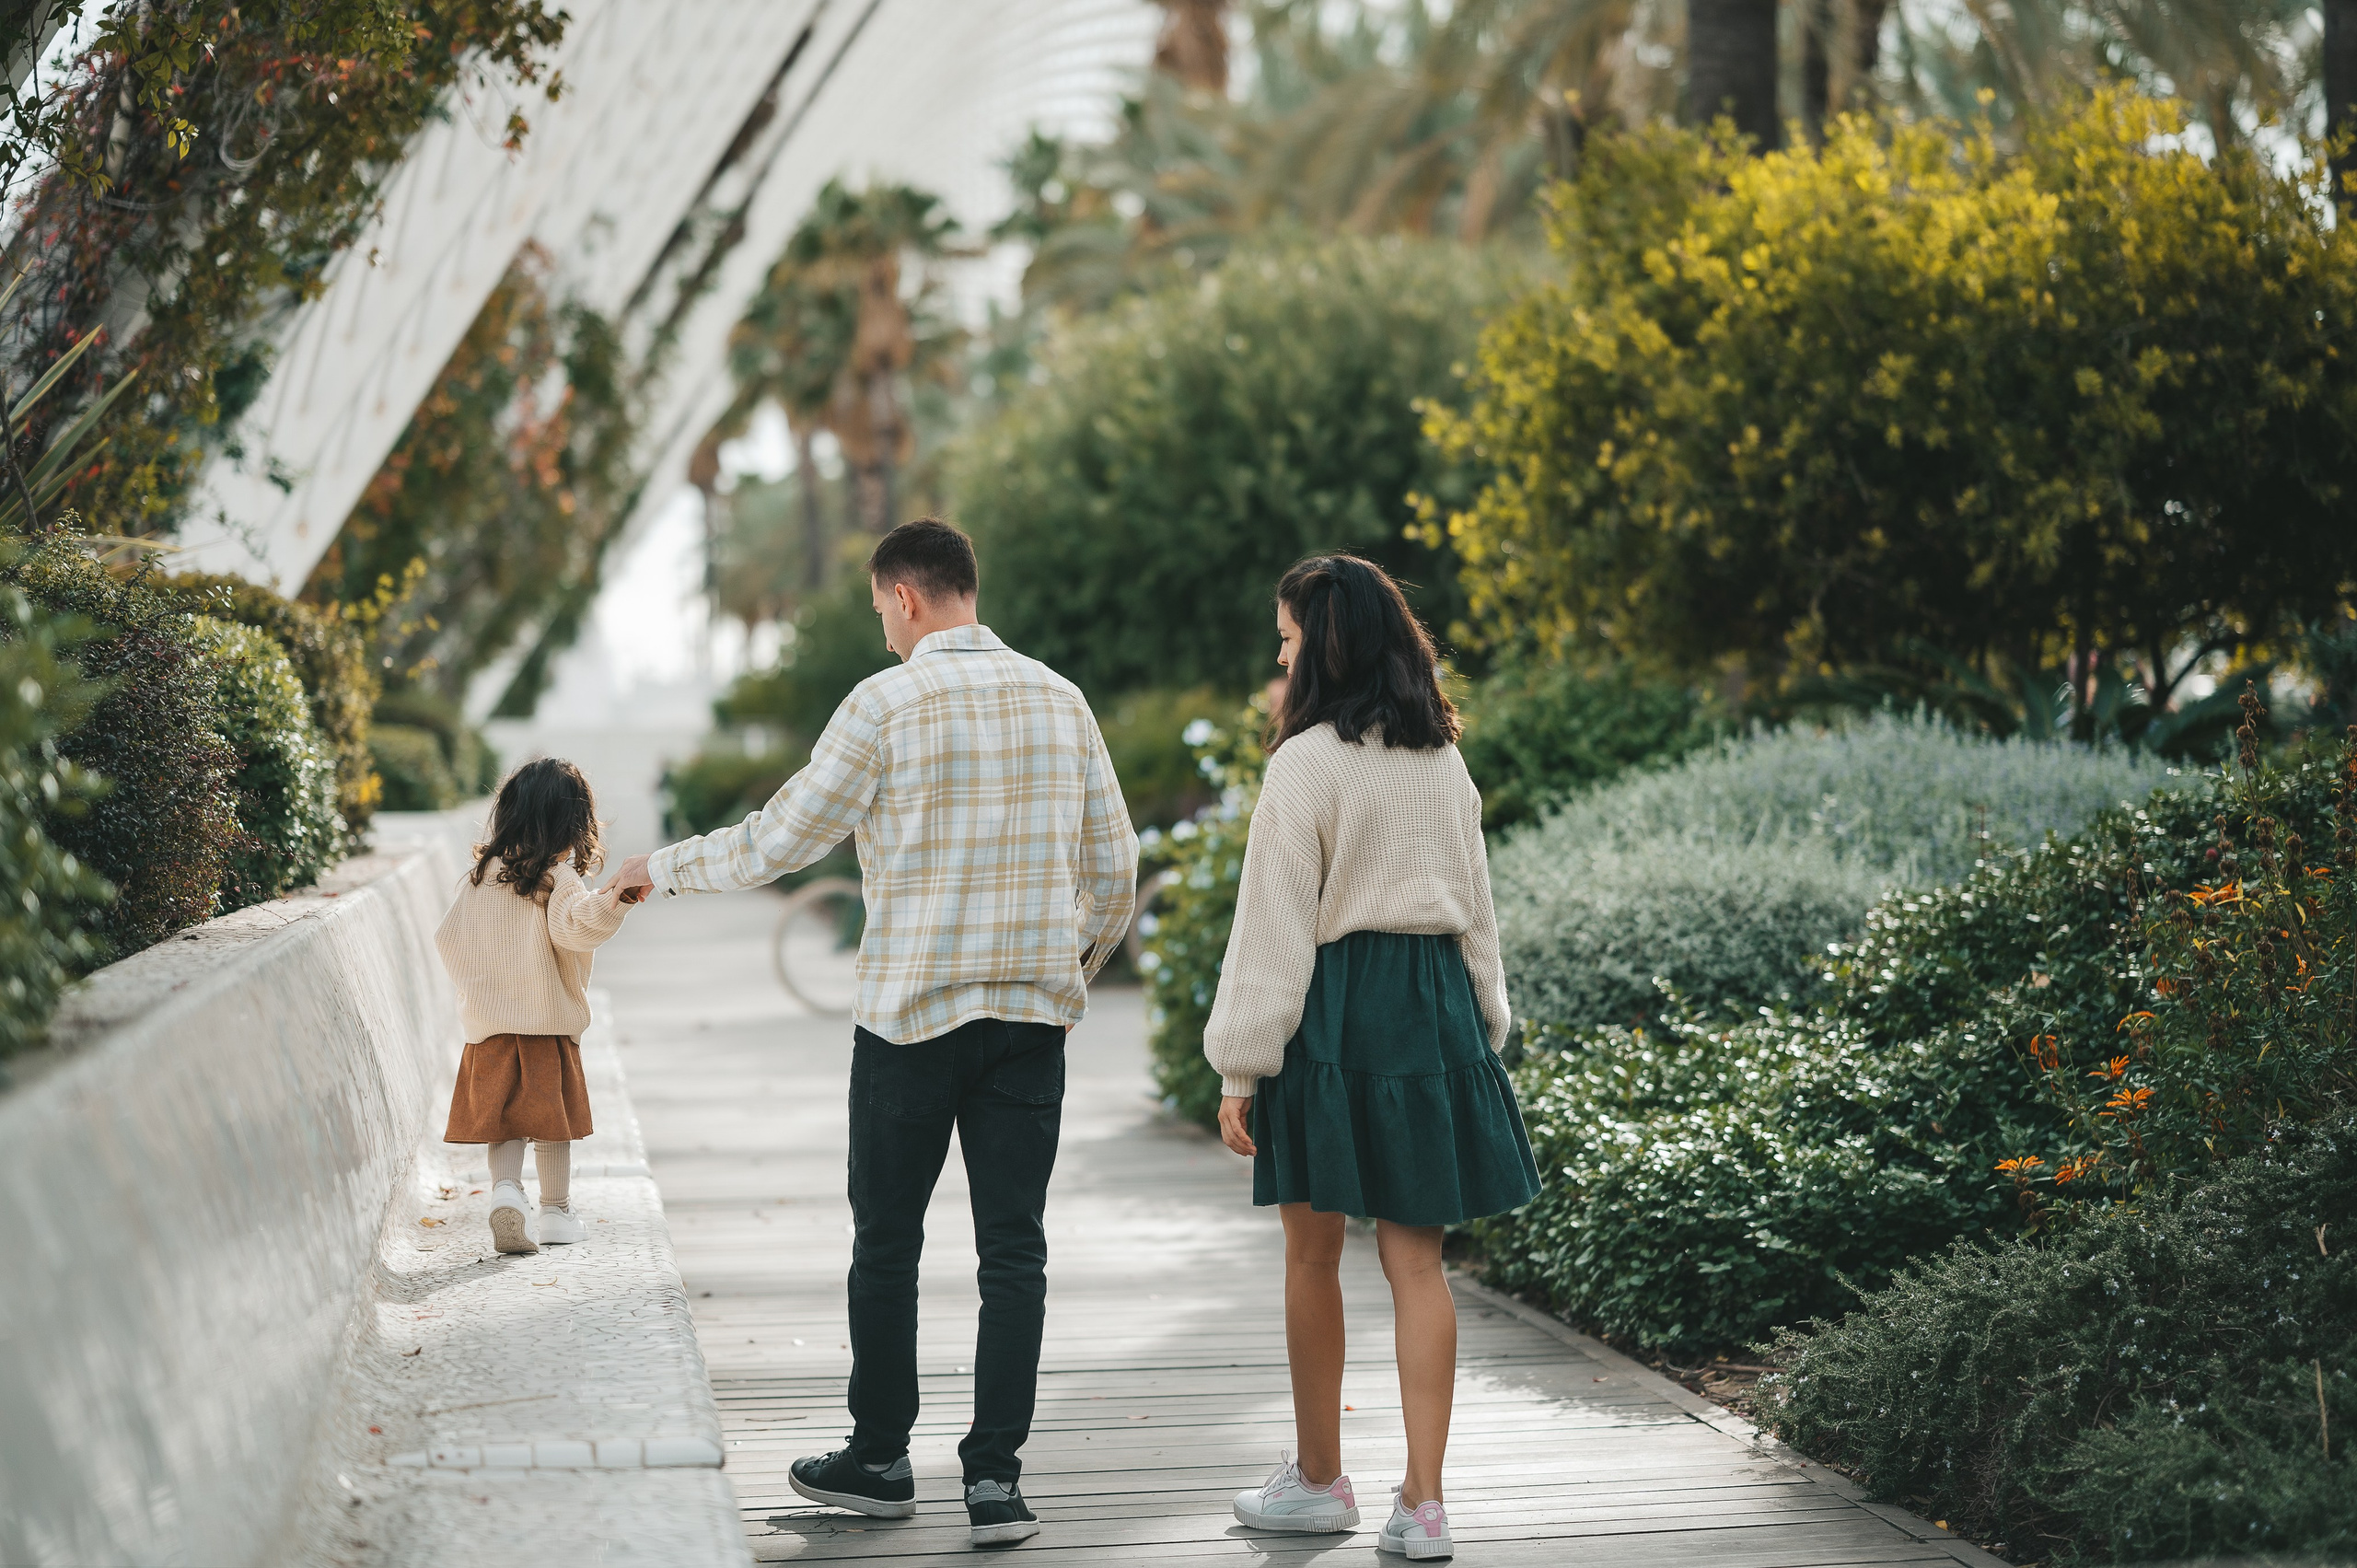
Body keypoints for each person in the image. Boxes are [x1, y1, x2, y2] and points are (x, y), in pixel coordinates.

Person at [610, 517, 1138, 1551]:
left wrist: (658, 867)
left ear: (903, 597)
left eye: (879, 613)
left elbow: (779, 840)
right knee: (1013, 1252)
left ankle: (880, 1458)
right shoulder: (1060, 698)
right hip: (1029, 1021)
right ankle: (995, 1483)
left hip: (909, 1023)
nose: (884, 633)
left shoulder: (886, 703)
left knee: (887, 1241)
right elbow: (1113, 872)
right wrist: (1065, 974)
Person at [1205, 554, 1542, 1562]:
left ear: (1327, 642)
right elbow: (1477, 913)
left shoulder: (1303, 762)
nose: (1280, 651)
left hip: (1334, 1010)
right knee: (1418, 1264)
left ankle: (1318, 1483)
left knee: (1312, 1254)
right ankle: (1424, 1506)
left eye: (1288, 634)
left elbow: (1271, 929)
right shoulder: (1443, 761)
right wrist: (1483, 1027)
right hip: (1431, 1005)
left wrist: (1238, 1064)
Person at [438, 758, 643, 1257]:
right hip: (547, 1026)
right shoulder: (558, 880)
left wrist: (484, 987)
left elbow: (449, 938)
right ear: (572, 826)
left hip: (490, 1029)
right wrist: (617, 898)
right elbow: (576, 926)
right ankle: (555, 1212)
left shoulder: (480, 878)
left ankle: (506, 1191)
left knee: (506, 1122)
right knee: (552, 1125)